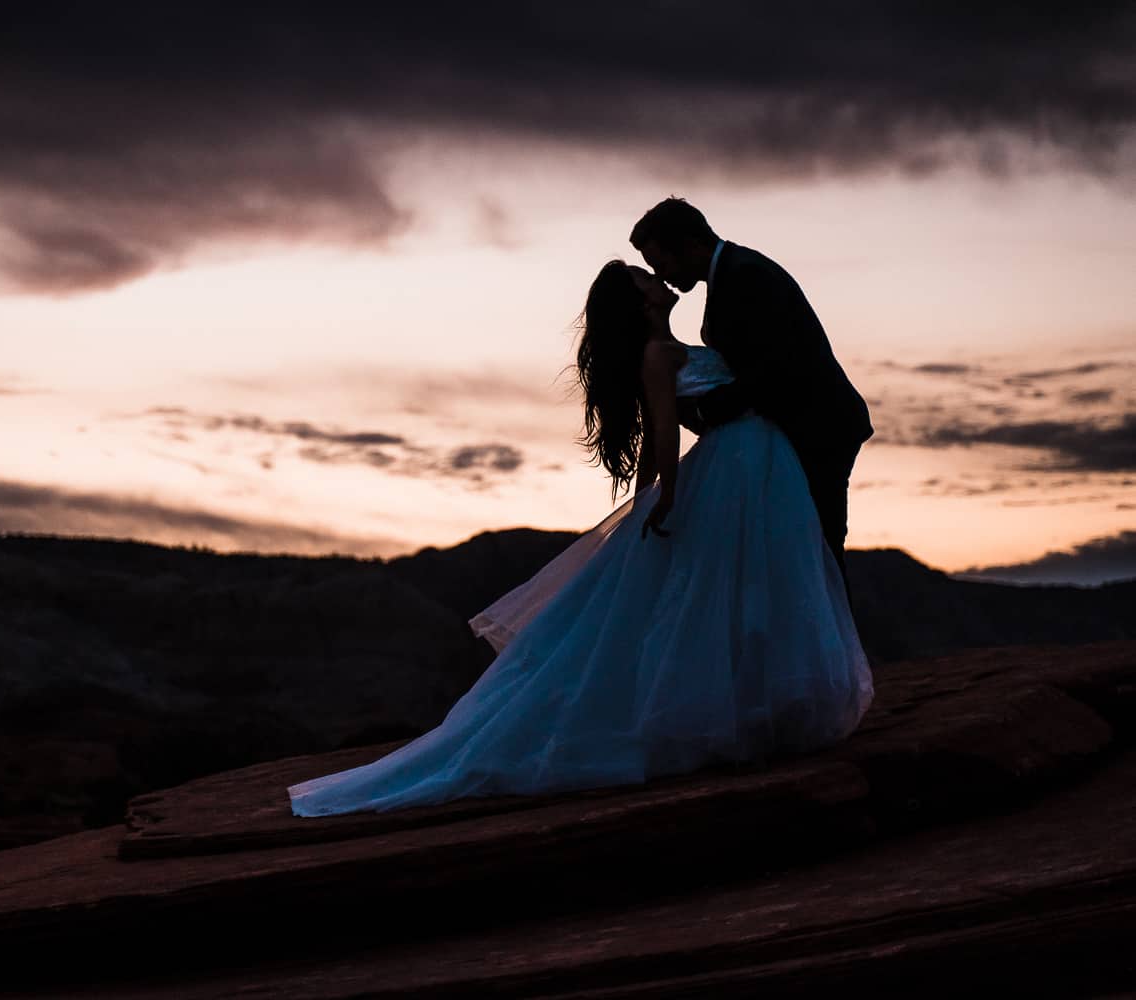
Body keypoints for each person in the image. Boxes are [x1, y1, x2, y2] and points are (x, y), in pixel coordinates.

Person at [287, 260, 874, 817]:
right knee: (716, 597)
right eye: (648, 277)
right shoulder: (658, 352)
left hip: (745, 466)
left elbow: (656, 436)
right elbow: (663, 434)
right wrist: (665, 498)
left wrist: (656, 495)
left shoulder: (671, 345)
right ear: (641, 303)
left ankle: (753, 706)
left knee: (733, 593)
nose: (659, 279)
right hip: (730, 469)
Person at [629, 197, 873, 597]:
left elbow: (778, 366)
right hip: (793, 432)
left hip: (816, 428)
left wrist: (707, 408)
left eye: (662, 263)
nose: (663, 275)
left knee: (817, 550)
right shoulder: (733, 274)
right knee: (804, 552)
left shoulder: (745, 276)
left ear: (690, 244)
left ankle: (834, 656)